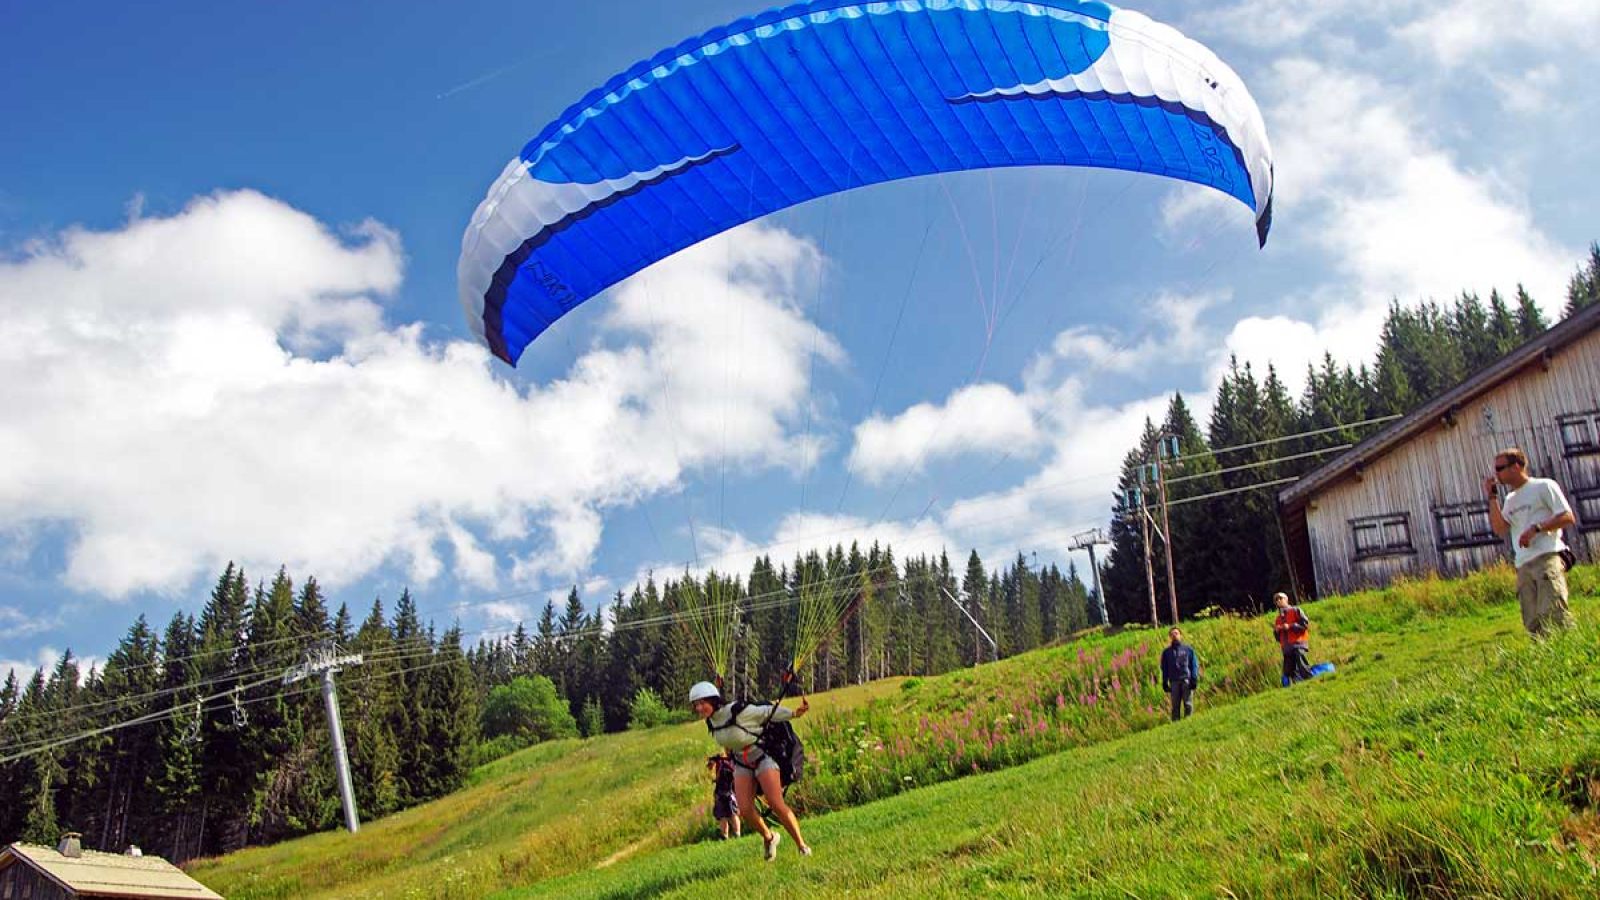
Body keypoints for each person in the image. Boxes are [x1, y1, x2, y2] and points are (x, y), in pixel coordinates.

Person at [688, 681, 812, 861]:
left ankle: (802, 846)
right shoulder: (712, 722)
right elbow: (729, 742)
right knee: (744, 810)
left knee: (775, 803)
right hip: (742, 763)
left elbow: (767, 712)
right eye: (696, 705)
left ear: (713, 700)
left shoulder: (737, 711)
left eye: (702, 703)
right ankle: (769, 838)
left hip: (762, 757)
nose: (699, 708)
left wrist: (793, 713)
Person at [1486, 446, 1577, 636]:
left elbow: (1568, 517)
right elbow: (1500, 528)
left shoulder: (1544, 486)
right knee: (1532, 619)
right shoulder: (1510, 499)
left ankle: (1568, 650)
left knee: (1554, 611)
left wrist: (1537, 529)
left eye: (1500, 468)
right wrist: (1492, 496)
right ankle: (1543, 656)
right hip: (1523, 563)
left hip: (1547, 556)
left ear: (1517, 466)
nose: (1497, 474)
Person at [1272, 592, 1314, 685]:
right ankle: (1295, 685)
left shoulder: (1296, 610)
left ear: (1286, 599)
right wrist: (1276, 631)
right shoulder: (1278, 619)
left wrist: (1290, 626)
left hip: (1298, 643)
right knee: (1288, 671)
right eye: (1276, 600)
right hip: (1287, 648)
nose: (1278, 601)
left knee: (1302, 664)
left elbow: (1304, 625)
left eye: (1280, 598)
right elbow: (1278, 638)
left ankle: (1311, 681)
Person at [1159, 627, 1200, 721]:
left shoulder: (1188, 649)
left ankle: (1188, 721)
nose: (1174, 635)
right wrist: (1164, 682)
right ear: (1170, 637)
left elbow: (1194, 664)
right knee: (1175, 706)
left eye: (1176, 633)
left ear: (1180, 635)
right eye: (1172, 634)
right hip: (1174, 682)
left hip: (1186, 679)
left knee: (1188, 704)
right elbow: (1164, 668)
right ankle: (1175, 723)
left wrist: (1194, 678)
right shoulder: (1166, 652)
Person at [706, 753, 741, 839]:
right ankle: (736, 834)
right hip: (730, 792)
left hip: (721, 792)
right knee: (732, 814)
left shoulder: (720, 759)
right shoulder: (734, 758)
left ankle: (726, 835)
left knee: (723, 816)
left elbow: (709, 768)